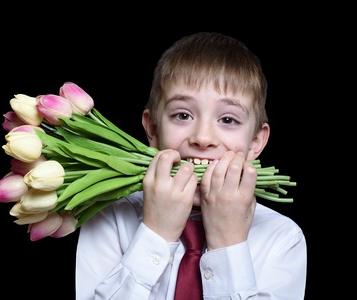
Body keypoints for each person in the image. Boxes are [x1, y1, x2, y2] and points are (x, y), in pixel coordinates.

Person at [75, 32, 307, 299]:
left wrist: (228, 245)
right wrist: (156, 234)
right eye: (183, 115)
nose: (203, 138)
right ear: (152, 128)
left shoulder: (283, 238)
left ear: (255, 142)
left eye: (228, 120)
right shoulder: (110, 219)